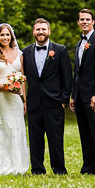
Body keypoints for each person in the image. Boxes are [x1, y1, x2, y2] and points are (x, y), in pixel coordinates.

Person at [22, 17, 72, 175]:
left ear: (49, 31)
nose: (41, 32)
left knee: (56, 139)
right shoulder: (25, 52)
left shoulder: (60, 50)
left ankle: (59, 169)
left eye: (43, 29)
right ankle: (37, 169)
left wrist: (63, 100)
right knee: (35, 139)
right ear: (33, 32)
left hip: (54, 103)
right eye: (38, 29)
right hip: (34, 102)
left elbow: (67, 78)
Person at [70, 8, 95, 174]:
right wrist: (73, 96)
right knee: (85, 133)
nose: (84, 22)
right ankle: (88, 167)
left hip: (93, 96)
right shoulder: (79, 43)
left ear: (93, 22)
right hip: (80, 96)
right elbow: (77, 74)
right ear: (78, 22)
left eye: (88, 19)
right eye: (82, 19)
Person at [0, 23, 30, 174]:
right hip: (3, 97)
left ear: (11, 37)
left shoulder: (20, 54)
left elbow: (23, 79)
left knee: (17, 126)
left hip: (17, 99)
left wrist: (24, 100)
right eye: (2, 35)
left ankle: (19, 163)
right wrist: (7, 87)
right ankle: (2, 163)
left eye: (7, 35)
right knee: (4, 127)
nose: (5, 37)